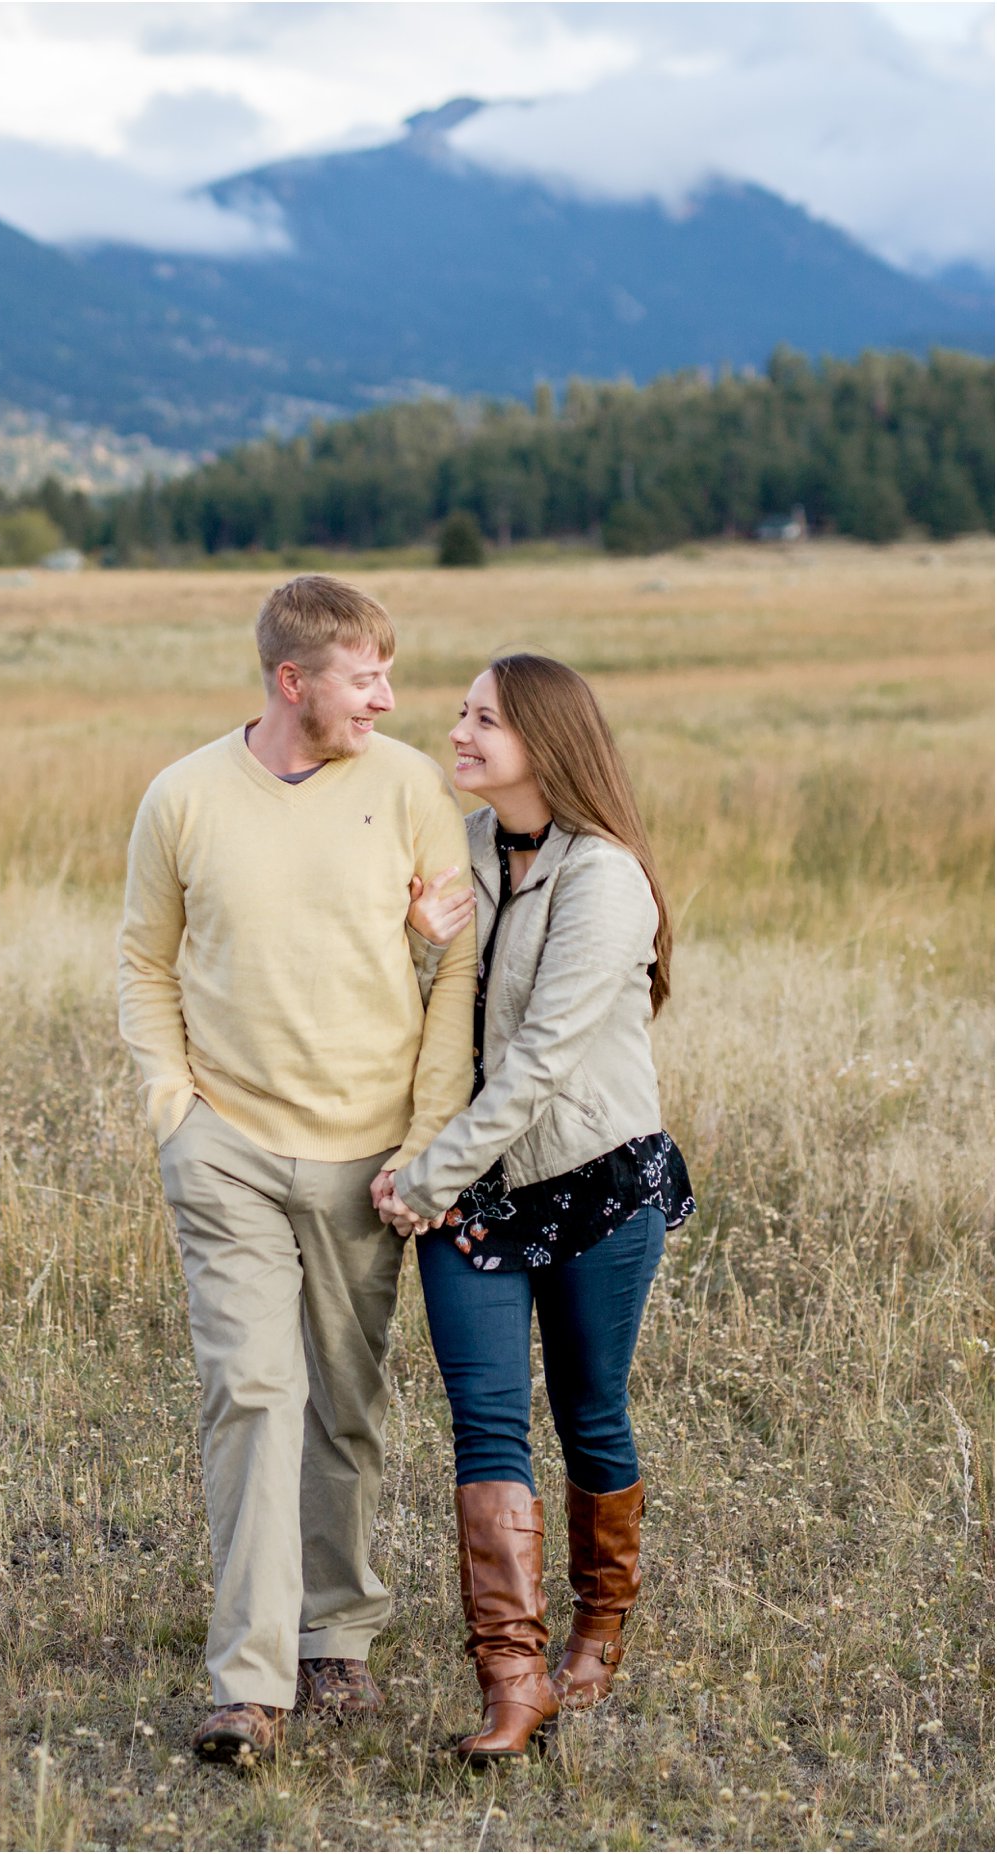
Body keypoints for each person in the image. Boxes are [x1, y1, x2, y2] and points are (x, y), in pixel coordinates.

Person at [117, 575, 476, 1763]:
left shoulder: (413, 786)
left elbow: (456, 978)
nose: (385, 696)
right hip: (224, 1148)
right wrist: (175, 1110)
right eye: (363, 676)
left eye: (387, 674)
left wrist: (425, 1143)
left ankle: (338, 1632)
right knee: (253, 1395)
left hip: (367, 1152)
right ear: (293, 681)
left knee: (345, 1401)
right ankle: (251, 1681)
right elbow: (145, 963)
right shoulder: (181, 797)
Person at [375, 652, 694, 1766]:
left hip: (593, 1185)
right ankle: (512, 1679)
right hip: (476, 1196)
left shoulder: (604, 877)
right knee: (487, 1420)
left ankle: (596, 1632)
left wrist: (424, 1178)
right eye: (458, 714)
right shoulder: (454, 853)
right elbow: (430, 1026)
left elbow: (542, 1060)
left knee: (589, 1411)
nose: (457, 734)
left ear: (544, 742)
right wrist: (418, 943)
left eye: (484, 721)